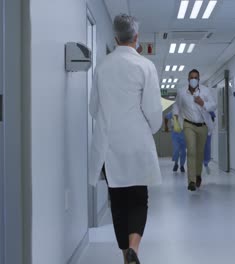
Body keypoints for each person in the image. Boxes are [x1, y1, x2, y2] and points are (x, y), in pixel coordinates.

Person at [88, 14, 162, 264]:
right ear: (136, 38)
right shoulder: (145, 66)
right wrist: (150, 128)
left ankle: (124, 256)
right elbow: (153, 110)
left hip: (110, 145)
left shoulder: (102, 67)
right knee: (139, 198)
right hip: (137, 141)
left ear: (115, 38)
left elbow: (92, 108)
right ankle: (134, 248)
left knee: (118, 201)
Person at [173, 69, 216, 191]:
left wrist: (203, 103)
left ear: (198, 79)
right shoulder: (182, 92)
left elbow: (214, 105)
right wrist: (175, 115)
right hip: (188, 125)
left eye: (195, 77)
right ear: (188, 79)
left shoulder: (206, 91)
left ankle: (198, 175)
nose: (193, 80)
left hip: (202, 125)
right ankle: (191, 181)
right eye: (191, 77)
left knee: (199, 152)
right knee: (191, 151)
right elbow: (176, 105)